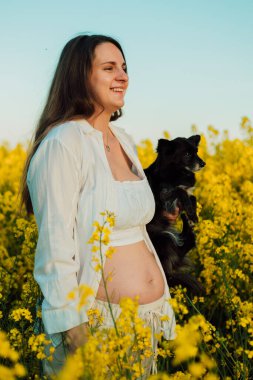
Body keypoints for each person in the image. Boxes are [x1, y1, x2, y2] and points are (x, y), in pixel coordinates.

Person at [20, 34, 178, 378]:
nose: (122, 76)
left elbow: (123, 219)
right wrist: (77, 336)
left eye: (124, 67)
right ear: (79, 76)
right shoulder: (63, 142)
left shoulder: (123, 139)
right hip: (96, 326)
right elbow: (55, 249)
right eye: (109, 68)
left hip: (143, 323)